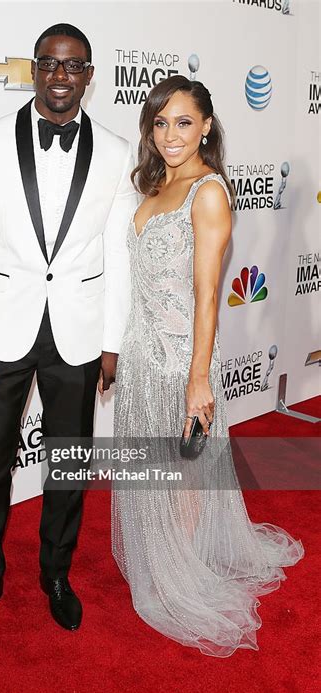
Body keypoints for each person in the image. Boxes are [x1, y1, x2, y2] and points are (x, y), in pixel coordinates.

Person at [0, 23, 137, 639]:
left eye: (73, 66)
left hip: (78, 333)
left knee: (69, 464)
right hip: (0, 329)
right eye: (49, 65)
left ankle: (56, 574)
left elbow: (118, 252)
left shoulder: (114, 152)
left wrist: (112, 341)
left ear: (89, 74)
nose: (60, 76)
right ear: (34, 69)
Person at [109, 75, 304, 657]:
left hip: (179, 360)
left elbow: (207, 292)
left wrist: (199, 377)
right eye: (161, 122)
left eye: (184, 122)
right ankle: (160, 557)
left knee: (186, 470)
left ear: (207, 127)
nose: (170, 135)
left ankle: (184, 571)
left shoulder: (208, 192)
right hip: (141, 354)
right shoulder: (152, 187)